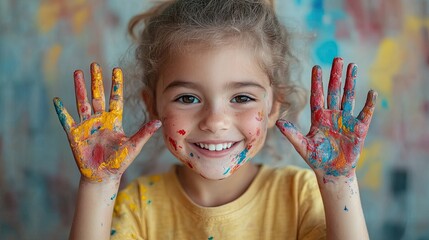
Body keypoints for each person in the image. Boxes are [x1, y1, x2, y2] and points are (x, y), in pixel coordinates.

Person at [53, 0, 377, 239]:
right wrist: (99, 186)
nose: (215, 121)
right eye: (188, 98)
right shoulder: (139, 205)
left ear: (274, 106)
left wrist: (338, 184)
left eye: (242, 98)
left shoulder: (300, 194)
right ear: (152, 107)